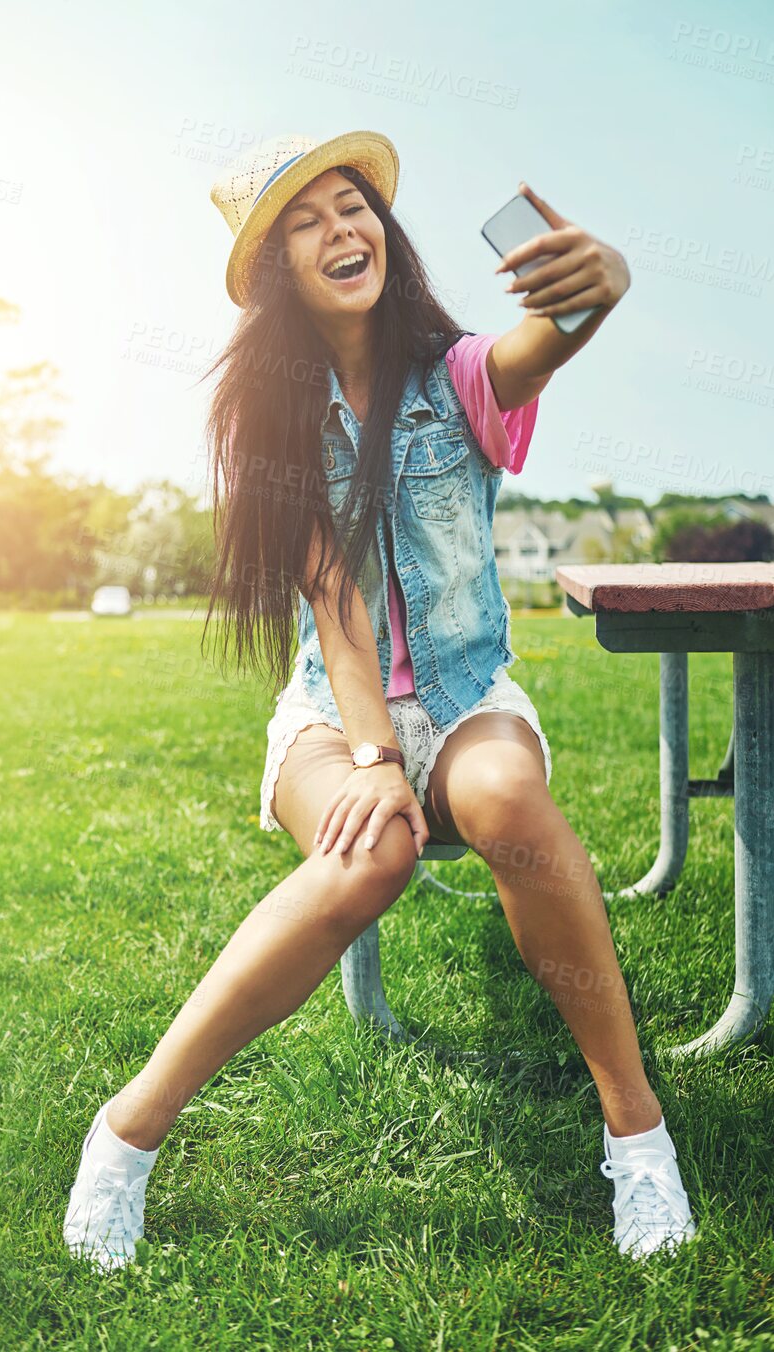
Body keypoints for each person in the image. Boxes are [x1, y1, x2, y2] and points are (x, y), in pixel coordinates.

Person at [62, 130, 698, 1269]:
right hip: (331, 709)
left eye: (351, 206)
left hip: (466, 697)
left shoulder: (456, 376)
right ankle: (126, 1131)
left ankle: (637, 1134)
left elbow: (543, 341)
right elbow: (333, 612)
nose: (339, 231)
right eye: (303, 223)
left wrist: (605, 282)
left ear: (384, 231)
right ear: (275, 273)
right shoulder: (270, 418)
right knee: (370, 854)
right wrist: (369, 755)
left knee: (503, 790)